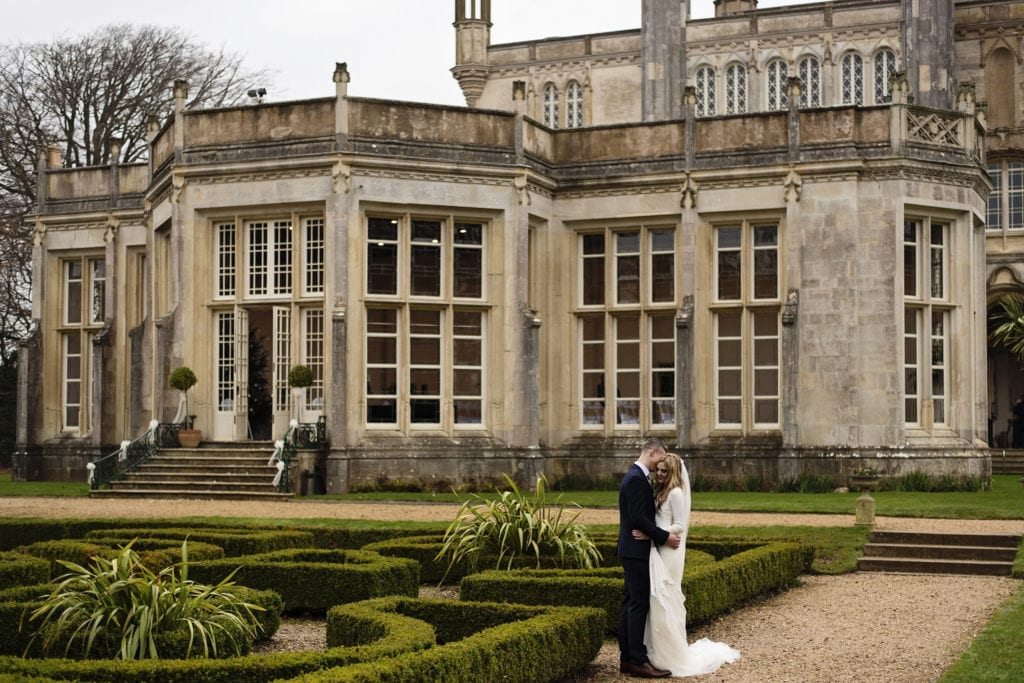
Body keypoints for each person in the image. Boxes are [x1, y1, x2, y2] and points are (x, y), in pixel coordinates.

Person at [634, 453, 741, 677]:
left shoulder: (675, 493)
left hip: (669, 549)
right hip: (660, 546)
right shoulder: (661, 490)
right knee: (657, 600)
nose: (660, 474)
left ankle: (671, 655)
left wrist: (656, 535)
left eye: (665, 471)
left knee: (666, 598)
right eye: (659, 470)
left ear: (673, 472)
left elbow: (680, 525)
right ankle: (658, 652)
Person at [617, 437, 680, 679]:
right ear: (652, 452)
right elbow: (637, 518)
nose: (661, 465)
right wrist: (664, 537)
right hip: (635, 551)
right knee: (638, 604)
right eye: (660, 459)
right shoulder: (635, 478)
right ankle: (637, 661)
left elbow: (639, 517)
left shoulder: (637, 476)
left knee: (630, 602)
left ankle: (626, 658)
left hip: (632, 549)